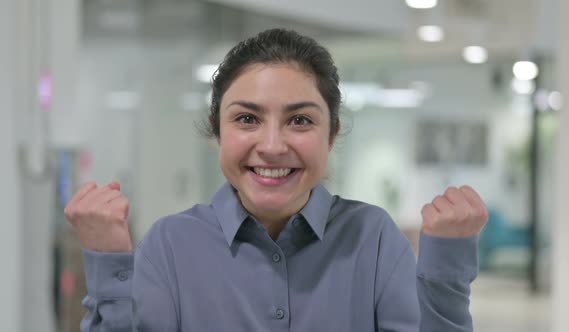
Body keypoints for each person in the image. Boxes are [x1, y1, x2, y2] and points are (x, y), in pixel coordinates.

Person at [65, 29, 488, 332]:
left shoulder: (373, 238)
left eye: (300, 120)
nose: (271, 146)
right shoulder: (169, 245)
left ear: (332, 134)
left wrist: (446, 267)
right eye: (247, 119)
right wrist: (108, 262)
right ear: (217, 131)